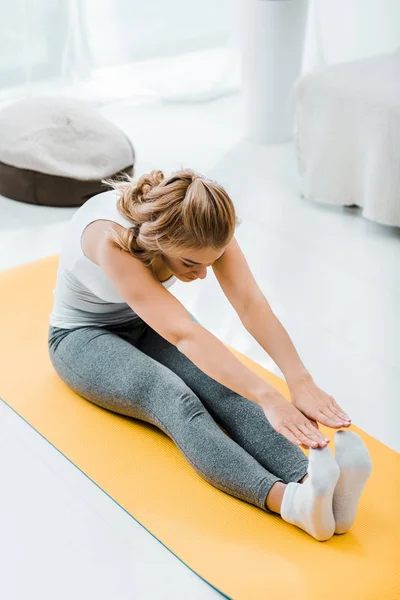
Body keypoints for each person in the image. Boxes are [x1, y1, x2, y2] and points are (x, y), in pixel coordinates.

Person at [48, 168, 371, 542]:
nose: (203, 275)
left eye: (210, 262)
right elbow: (183, 332)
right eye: (190, 264)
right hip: (82, 337)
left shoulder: (205, 225)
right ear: (160, 240)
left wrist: (299, 381)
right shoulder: (110, 238)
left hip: (149, 324)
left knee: (226, 388)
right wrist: (269, 396)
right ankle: (291, 503)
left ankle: (317, 487)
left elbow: (250, 303)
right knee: (173, 397)